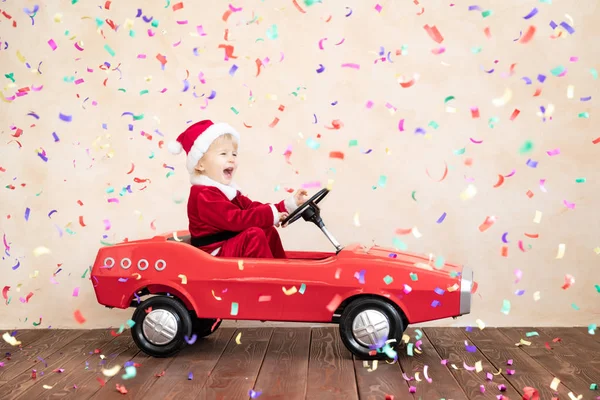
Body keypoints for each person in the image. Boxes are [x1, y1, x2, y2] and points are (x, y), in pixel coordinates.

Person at [168, 119, 308, 258]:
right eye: (223, 154)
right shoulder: (203, 195)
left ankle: (283, 273)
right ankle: (269, 278)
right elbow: (235, 220)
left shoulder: (227, 192)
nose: (231, 159)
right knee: (253, 236)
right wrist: (270, 216)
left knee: (268, 230)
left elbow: (252, 208)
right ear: (200, 165)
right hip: (213, 253)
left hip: (227, 243)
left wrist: (286, 206)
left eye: (234, 154)